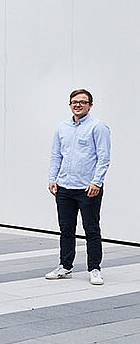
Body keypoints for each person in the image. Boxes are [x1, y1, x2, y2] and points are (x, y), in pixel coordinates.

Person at [45, 89, 110, 285]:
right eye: (74, 101)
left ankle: (94, 268)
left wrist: (96, 182)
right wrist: (52, 179)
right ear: (70, 104)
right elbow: (56, 155)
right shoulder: (62, 127)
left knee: (91, 229)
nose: (78, 105)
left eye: (83, 102)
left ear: (90, 105)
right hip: (64, 187)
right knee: (66, 229)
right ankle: (65, 266)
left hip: (87, 188)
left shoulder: (98, 127)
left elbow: (104, 157)